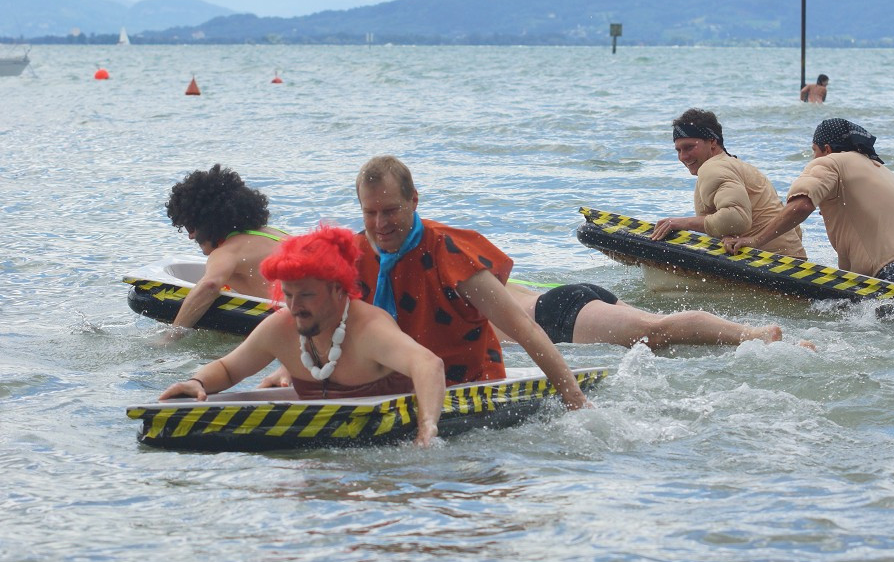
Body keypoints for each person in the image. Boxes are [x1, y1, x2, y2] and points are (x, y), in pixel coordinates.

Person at [159, 225, 446, 446]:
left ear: (337, 289)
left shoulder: (370, 329)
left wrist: (427, 426)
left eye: (307, 295)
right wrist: (196, 382)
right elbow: (228, 368)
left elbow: (429, 364)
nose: (295, 307)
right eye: (288, 294)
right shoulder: (281, 327)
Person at [354, 156, 588, 410]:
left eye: (390, 211)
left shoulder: (450, 252)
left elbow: (524, 328)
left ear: (413, 200)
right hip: (387, 387)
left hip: (467, 387)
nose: (380, 224)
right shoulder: (350, 255)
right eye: (370, 213)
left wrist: (573, 398)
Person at [722, 118, 894, 295]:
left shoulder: (829, 162)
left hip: (891, 277)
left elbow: (801, 206)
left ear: (826, 148)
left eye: (814, 150)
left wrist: (755, 240)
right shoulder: (880, 168)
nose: (813, 157)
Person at [651, 108, 807, 259]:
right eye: (678, 150)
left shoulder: (713, 168)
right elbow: (792, 226)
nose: (683, 157)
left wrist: (682, 223)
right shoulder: (741, 166)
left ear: (712, 141)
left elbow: (735, 219)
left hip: (769, 264)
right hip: (794, 262)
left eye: (689, 147)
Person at [163, 164, 289, 339]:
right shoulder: (276, 234)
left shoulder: (227, 252)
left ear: (209, 221)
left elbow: (209, 286)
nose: (190, 236)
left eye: (191, 227)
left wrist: (171, 336)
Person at [501, 281, 794, 348]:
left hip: (554, 315)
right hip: (561, 300)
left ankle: (756, 335)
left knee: (659, 330)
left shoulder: (458, 290)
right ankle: (781, 347)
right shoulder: (472, 274)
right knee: (670, 340)